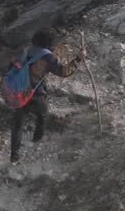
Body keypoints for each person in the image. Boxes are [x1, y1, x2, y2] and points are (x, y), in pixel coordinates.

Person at [8, 28, 85, 164]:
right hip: (36, 95)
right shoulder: (47, 57)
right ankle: (36, 142)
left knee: (17, 124)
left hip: (19, 93)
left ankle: (14, 156)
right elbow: (64, 72)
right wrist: (78, 59)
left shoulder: (25, 50)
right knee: (42, 117)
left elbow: (12, 65)